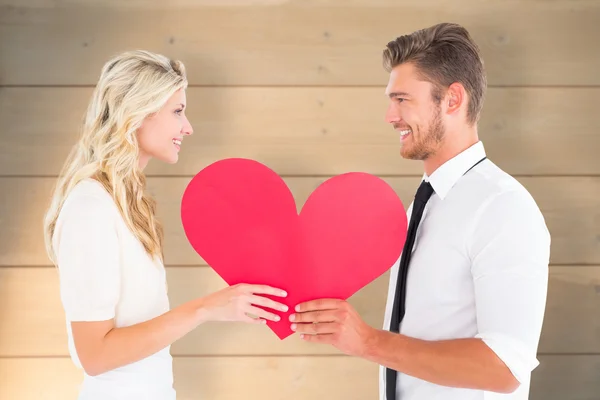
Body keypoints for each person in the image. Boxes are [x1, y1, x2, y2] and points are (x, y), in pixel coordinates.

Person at [289, 22, 551, 400]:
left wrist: (367, 342)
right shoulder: (426, 204)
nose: (390, 116)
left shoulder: (503, 208)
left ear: (453, 100)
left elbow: (505, 367)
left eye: (402, 99)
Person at [42, 50, 289, 400]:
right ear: (138, 114)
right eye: (178, 111)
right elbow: (95, 355)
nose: (188, 127)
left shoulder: (126, 202)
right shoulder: (90, 207)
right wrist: (205, 308)